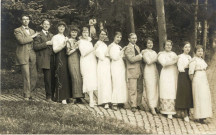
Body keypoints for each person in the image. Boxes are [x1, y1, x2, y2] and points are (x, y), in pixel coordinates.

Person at [14, 14, 39, 100]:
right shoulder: (17, 30)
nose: (25, 21)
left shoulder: (32, 30)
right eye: (24, 19)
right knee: (26, 76)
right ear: (21, 21)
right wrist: (33, 36)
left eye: (27, 19)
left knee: (34, 76)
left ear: (29, 20)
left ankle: (30, 92)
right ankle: (26, 95)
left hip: (32, 55)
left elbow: (35, 43)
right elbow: (21, 41)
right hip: (23, 55)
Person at [189, 45, 212, 124]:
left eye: (201, 51)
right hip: (197, 79)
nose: (200, 52)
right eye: (198, 51)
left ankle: (204, 115)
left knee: (204, 97)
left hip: (203, 79)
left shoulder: (202, 60)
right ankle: (200, 116)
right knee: (199, 97)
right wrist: (194, 82)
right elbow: (191, 73)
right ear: (195, 52)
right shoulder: (193, 60)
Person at [33, 19, 55, 102]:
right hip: (44, 59)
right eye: (45, 24)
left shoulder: (52, 35)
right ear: (42, 25)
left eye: (48, 24)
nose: (46, 26)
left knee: (53, 77)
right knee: (47, 78)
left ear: (50, 26)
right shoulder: (38, 35)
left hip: (52, 59)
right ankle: (48, 96)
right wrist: (46, 44)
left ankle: (53, 96)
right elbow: (35, 47)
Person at [52, 21, 72, 104]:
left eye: (63, 27)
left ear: (65, 28)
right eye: (60, 26)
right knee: (61, 75)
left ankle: (67, 97)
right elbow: (55, 50)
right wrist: (63, 45)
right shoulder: (55, 37)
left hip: (66, 57)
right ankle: (60, 97)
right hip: (59, 57)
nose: (61, 28)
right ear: (57, 28)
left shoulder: (65, 37)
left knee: (66, 76)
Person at [158, 40, 178, 119]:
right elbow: (164, 64)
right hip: (166, 74)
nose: (169, 46)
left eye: (170, 45)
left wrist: (175, 60)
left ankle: (173, 110)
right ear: (164, 46)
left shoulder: (174, 54)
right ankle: (166, 110)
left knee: (173, 89)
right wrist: (175, 60)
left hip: (173, 73)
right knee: (166, 90)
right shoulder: (161, 54)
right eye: (167, 45)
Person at [78, 27, 98, 108]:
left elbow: (92, 52)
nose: (85, 34)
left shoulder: (89, 42)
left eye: (87, 32)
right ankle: (91, 100)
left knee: (92, 79)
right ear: (82, 33)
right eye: (84, 32)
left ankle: (93, 99)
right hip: (85, 61)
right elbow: (83, 53)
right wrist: (93, 48)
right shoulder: (80, 42)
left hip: (91, 61)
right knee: (88, 79)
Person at [124, 33, 143, 112]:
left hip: (139, 70)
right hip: (132, 70)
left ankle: (138, 103)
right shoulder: (127, 48)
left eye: (135, 38)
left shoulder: (137, 47)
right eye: (132, 38)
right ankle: (133, 105)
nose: (134, 40)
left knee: (140, 88)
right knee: (133, 89)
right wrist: (140, 56)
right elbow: (131, 59)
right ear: (129, 39)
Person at [109, 32, 128, 110]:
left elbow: (122, 56)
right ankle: (114, 102)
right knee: (116, 83)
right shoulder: (111, 46)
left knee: (121, 83)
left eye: (120, 37)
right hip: (115, 66)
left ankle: (120, 101)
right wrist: (122, 50)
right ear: (114, 37)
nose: (119, 39)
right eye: (117, 37)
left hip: (121, 66)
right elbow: (115, 57)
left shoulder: (119, 46)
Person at [175, 41, 193, 122]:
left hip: (189, 75)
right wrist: (188, 65)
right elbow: (180, 68)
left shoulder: (190, 57)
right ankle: (184, 112)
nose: (187, 48)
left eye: (189, 47)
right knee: (184, 92)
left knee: (189, 92)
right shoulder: (180, 57)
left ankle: (188, 110)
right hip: (183, 75)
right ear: (182, 48)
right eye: (185, 47)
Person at [66, 25, 84, 104]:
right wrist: (75, 48)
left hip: (78, 59)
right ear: (70, 33)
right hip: (71, 59)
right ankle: (73, 97)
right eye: (72, 32)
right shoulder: (68, 41)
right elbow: (68, 52)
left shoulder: (78, 40)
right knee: (74, 77)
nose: (74, 33)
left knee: (79, 77)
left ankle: (79, 97)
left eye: (75, 32)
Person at [141, 38, 159, 115]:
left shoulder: (154, 52)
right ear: (146, 44)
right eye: (148, 43)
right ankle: (151, 106)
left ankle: (155, 105)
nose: (150, 44)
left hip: (154, 70)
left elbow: (157, 61)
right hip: (148, 71)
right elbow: (148, 61)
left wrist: (155, 59)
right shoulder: (144, 52)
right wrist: (155, 58)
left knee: (155, 88)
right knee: (149, 88)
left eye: (151, 43)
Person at [95, 30, 112, 109]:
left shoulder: (105, 44)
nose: (103, 36)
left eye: (104, 34)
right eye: (102, 34)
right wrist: (105, 54)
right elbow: (99, 55)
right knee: (102, 82)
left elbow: (108, 55)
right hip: (101, 64)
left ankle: (107, 100)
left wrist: (107, 55)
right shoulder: (97, 44)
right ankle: (103, 101)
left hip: (107, 64)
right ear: (99, 35)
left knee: (107, 82)